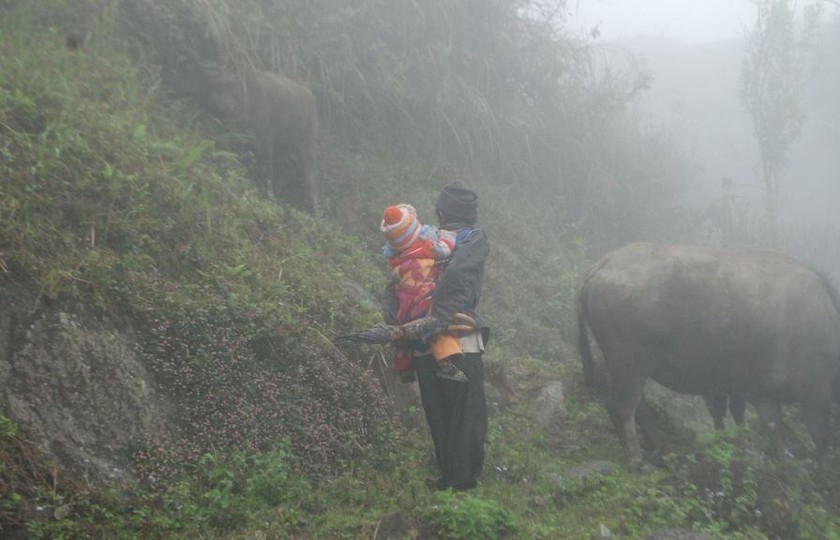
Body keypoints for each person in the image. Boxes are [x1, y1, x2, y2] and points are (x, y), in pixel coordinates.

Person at [382, 181, 489, 491]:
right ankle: (464, 480)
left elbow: (392, 290)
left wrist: (402, 326)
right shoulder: (473, 238)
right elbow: (457, 277)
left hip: (419, 344)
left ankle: (446, 477)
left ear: (441, 214)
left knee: (437, 412)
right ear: (471, 216)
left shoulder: (414, 245)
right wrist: (437, 319)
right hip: (459, 339)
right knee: (464, 412)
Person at [380, 203, 468, 383]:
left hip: (405, 304)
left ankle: (404, 368)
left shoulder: (397, 258)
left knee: (402, 334)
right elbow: (445, 248)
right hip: (425, 298)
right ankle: (445, 364)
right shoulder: (426, 247)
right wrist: (448, 235)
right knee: (439, 331)